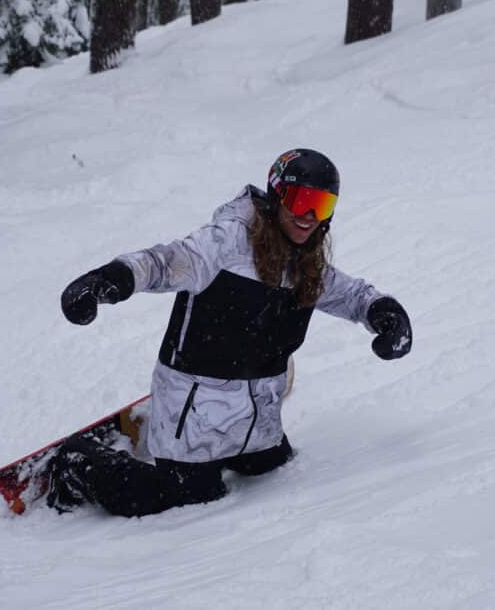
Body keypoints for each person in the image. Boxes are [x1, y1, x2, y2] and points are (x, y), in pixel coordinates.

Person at [48, 149, 412, 518]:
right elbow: (163, 262)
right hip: (196, 417)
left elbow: (347, 293)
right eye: (301, 200)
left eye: (322, 205)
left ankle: (176, 429)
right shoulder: (226, 242)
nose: (309, 216)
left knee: (275, 470)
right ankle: (78, 462)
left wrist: (384, 313)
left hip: (257, 422)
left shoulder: (305, 262)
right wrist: (107, 281)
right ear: (276, 195)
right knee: (185, 500)